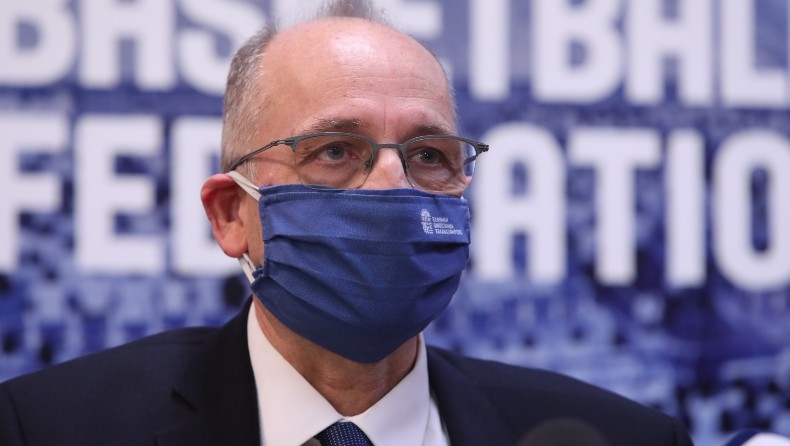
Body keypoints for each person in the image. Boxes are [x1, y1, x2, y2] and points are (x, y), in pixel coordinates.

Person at [0, 1, 694, 445]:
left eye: (429, 155)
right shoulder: (49, 427)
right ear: (231, 214)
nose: (394, 183)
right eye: (334, 151)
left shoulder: (624, 438)